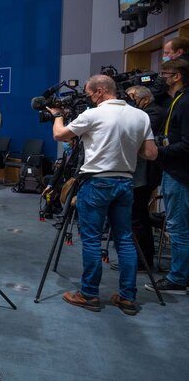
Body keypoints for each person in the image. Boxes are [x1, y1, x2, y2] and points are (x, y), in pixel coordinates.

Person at [48, 75, 157, 315]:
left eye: (88, 94)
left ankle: (88, 294)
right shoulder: (140, 116)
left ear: (99, 92)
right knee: (125, 240)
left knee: (91, 240)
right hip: (126, 183)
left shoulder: (93, 114)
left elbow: (60, 135)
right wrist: (125, 146)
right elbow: (150, 153)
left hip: (97, 182)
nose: (88, 99)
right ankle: (128, 298)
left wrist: (57, 116)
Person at [146, 59, 189, 295]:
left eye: (165, 73)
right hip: (174, 170)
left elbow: (186, 144)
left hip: (179, 174)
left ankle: (178, 278)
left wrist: (158, 151)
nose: (161, 77)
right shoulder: (177, 101)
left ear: (177, 76)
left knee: (178, 227)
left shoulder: (185, 103)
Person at [123, 86, 164, 271]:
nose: (129, 103)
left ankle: (143, 260)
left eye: (132, 98)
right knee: (136, 216)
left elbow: (138, 139)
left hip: (146, 173)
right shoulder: (144, 112)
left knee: (137, 217)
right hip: (140, 171)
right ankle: (139, 258)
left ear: (144, 99)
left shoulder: (152, 114)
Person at [152, 37, 189, 107]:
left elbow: (156, 92)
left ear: (179, 52)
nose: (163, 56)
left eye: (167, 53)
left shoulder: (175, 67)